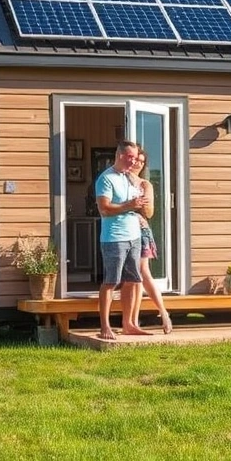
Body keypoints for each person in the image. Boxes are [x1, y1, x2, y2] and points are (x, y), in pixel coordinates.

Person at [94, 140, 152, 340]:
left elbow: (139, 206)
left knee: (131, 280)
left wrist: (141, 203)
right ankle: (105, 327)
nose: (134, 162)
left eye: (136, 158)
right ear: (120, 155)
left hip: (134, 237)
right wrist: (129, 205)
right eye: (131, 157)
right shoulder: (106, 178)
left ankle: (128, 325)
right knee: (111, 281)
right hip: (114, 238)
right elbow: (104, 209)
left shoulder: (129, 178)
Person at [128, 148, 173, 334]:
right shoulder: (120, 179)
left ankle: (163, 313)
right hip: (122, 231)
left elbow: (150, 212)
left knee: (142, 271)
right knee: (133, 278)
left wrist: (141, 203)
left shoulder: (145, 184)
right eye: (136, 159)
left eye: (141, 161)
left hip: (141, 230)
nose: (138, 163)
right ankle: (133, 321)